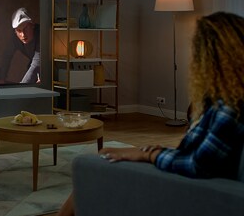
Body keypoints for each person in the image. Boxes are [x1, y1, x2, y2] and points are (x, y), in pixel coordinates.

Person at [57, 12, 244, 216]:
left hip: (189, 190)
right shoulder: (223, 103)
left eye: (197, 51)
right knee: (105, 155)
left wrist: (148, 155)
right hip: (188, 179)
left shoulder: (230, 110)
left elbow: (197, 164)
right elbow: (192, 153)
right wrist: (149, 151)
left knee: (94, 167)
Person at [2, 8, 40, 83]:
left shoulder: (41, 34)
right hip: (35, 64)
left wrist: (21, 88)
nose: (23, 35)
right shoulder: (15, 38)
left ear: (32, 25)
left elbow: (36, 64)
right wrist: (2, 78)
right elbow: (7, 56)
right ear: (15, 31)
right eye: (19, 30)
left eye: (26, 29)